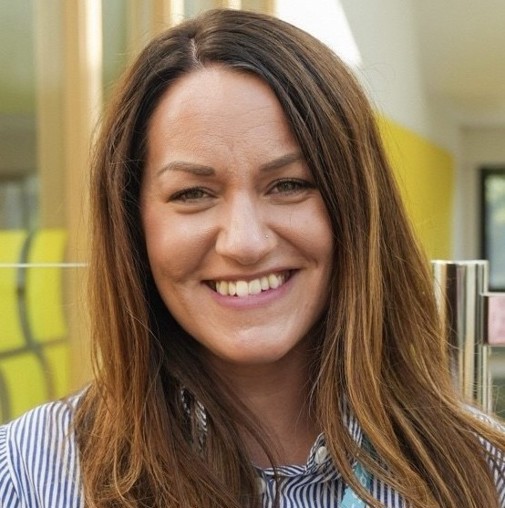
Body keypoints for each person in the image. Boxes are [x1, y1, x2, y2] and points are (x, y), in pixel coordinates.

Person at [1, 8, 505, 508]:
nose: (245, 243)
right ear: (134, 225)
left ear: (356, 207)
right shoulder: (29, 476)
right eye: (193, 193)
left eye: (289, 185)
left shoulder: (482, 471)